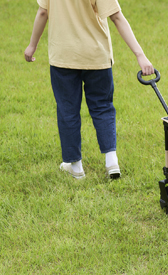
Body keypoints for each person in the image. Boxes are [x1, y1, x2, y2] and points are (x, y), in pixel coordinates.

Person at [24, 0, 154, 179]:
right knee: (103, 106)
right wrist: (140, 55)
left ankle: (76, 168)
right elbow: (116, 17)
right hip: (96, 56)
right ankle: (111, 162)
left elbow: (42, 13)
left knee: (67, 110)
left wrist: (32, 45)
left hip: (63, 57)